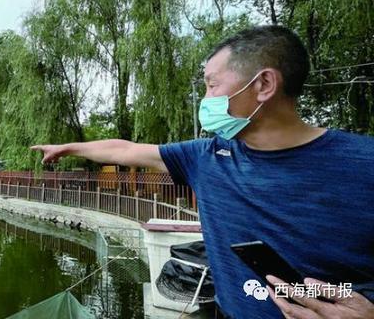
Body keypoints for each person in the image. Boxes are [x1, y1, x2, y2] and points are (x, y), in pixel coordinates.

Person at [31, 25, 374, 319]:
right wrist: (69, 148)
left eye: (212, 85)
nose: (205, 99)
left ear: (264, 84)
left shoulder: (364, 162)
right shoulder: (205, 157)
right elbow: (125, 150)